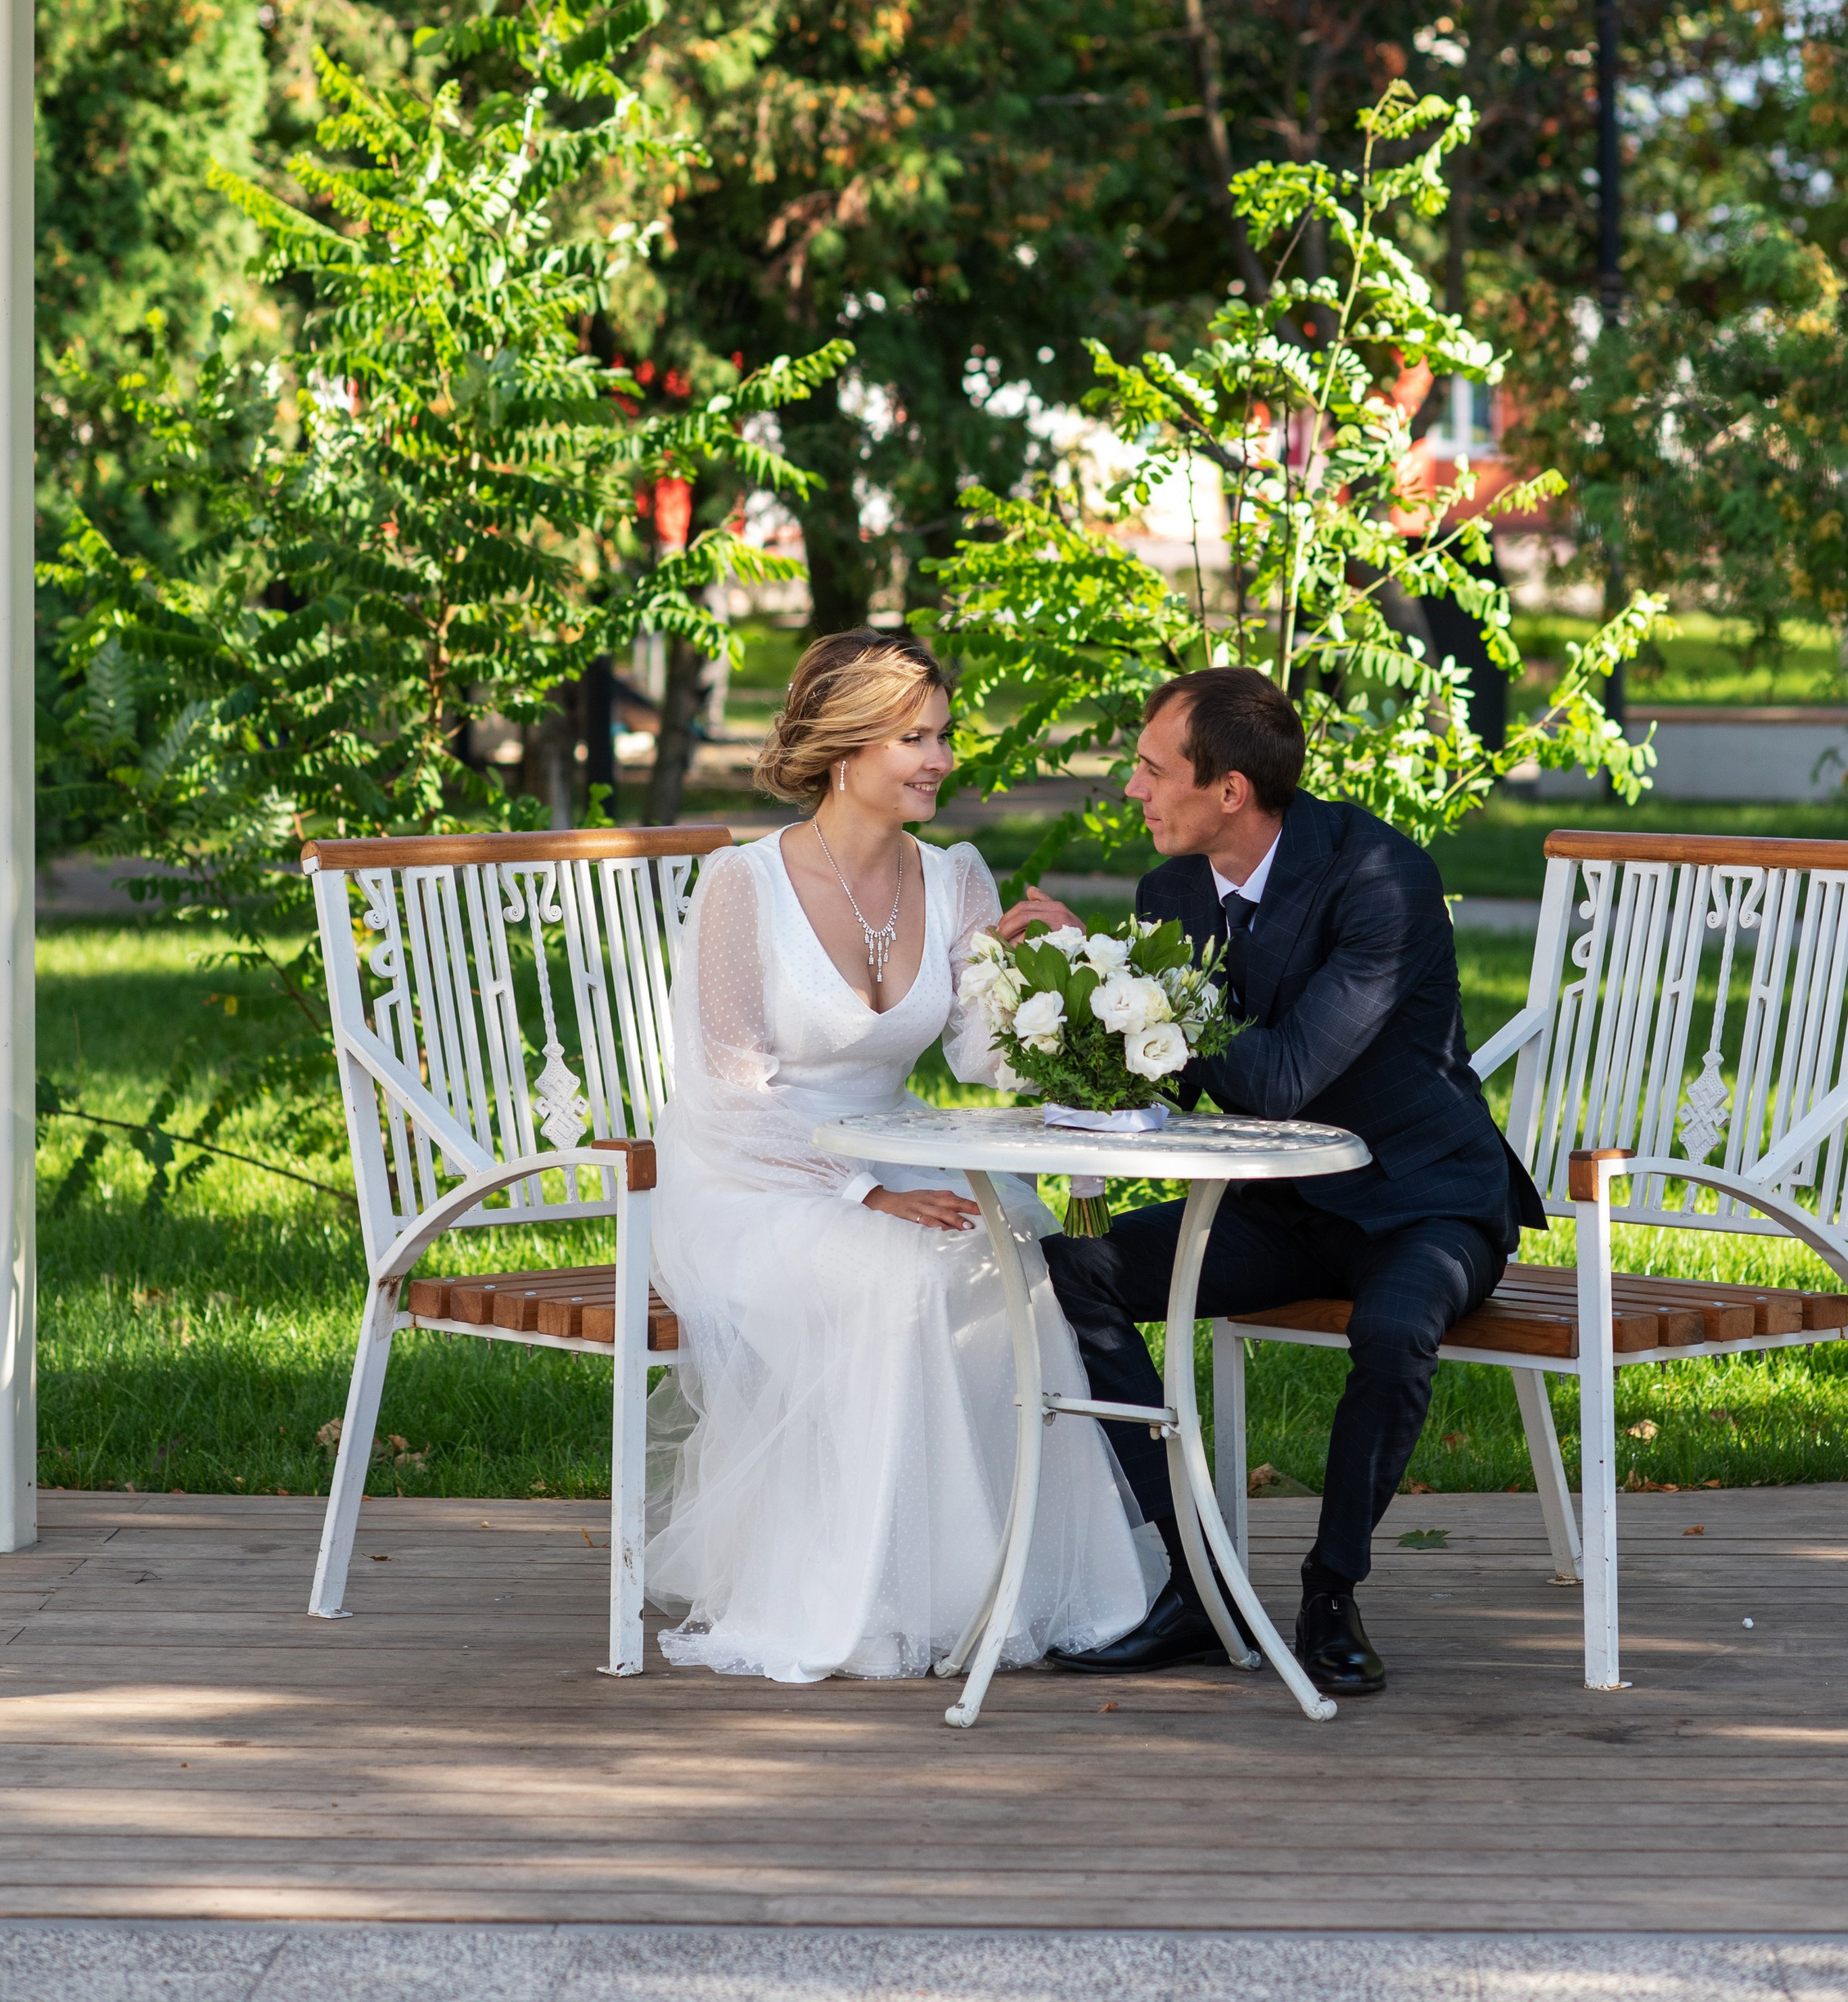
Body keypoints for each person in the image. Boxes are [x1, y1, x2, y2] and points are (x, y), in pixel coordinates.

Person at [645, 626, 1156, 1684]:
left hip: (894, 1141)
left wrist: (1046, 972)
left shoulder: (955, 872)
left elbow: (979, 1055)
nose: (940, 757)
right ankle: (876, 1597)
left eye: (942, 734)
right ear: (846, 746)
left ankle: (1009, 1585)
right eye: (913, 737)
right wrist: (864, 1188)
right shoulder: (746, 883)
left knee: (1022, 1246)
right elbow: (727, 1096)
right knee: (909, 1271)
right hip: (758, 1173)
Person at [1032, 665, 1544, 1697]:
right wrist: (1081, 990)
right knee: (1068, 1271)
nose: (1131, 788)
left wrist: (1118, 976)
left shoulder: (1379, 878)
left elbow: (1274, 1079)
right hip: (1288, 1201)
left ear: (1229, 791)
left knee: (1394, 1333)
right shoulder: (1171, 891)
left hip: (1425, 1197)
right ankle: (1195, 1582)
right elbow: (1172, 1077)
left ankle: (1328, 1589)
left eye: (1150, 767)